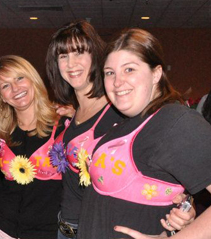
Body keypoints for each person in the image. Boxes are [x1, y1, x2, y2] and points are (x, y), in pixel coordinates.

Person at [80, 28, 211, 238]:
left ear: (156, 73)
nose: (117, 82)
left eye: (129, 69)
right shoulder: (129, 120)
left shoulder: (176, 121)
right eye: (109, 72)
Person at [45, 20, 125, 239]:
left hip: (99, 229)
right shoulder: (76, 112)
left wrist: (182, 202)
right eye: (63, 56)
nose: (71, 63)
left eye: (79, 52)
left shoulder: (119, 110)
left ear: (95, 56)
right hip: (65, 227)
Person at [0, 55, 64, 238]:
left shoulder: (64, 127)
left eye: (19, 78)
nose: (15, 89)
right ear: (1, 97)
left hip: (48, 232)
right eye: (5, 86)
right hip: (2, 230)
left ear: (33, 79)